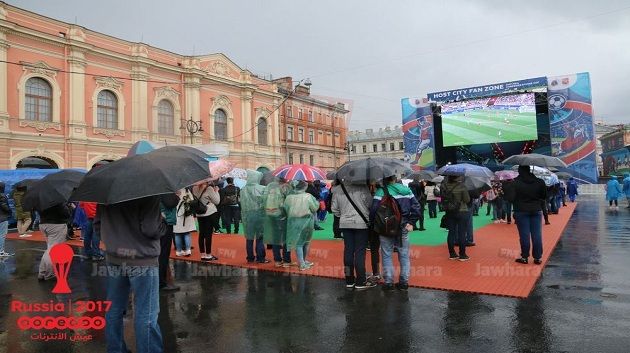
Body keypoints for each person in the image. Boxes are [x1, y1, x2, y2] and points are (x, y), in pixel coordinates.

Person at [96, 195, 167, 353]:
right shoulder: (148, 192)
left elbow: (98, 225)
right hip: (142, 259)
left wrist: (112, 241)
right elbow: (151, 229)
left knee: (114, 309)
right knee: (146, 313)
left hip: (115, 257)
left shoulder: (107, 191)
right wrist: (163, 224)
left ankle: (115, 349)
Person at [371, 175, 421, 290]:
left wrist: (374, 224)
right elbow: (416, 207)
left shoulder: (380, 192)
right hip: (403, 226)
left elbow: (373, 210)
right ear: (395, 178)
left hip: (385, 227)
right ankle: (404, 282)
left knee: (386, 254)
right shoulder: (407, 190)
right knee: (404, 255)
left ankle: (388, 282)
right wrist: (411, 222)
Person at [332, 180, 374, 290]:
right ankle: (361, 280)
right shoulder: (363, 187)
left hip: (345, 223)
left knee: (348, 251)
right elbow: (370, 204)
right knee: (360, 252)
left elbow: (334, 209)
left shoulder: (337, 189)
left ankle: (349, 279)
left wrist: (344, 215)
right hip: (361, 223)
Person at [504, 165, 547, 265]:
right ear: (529, 170)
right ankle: (537, 257)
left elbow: (510, 198)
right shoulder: (540, 182)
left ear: (520, 171)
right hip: (536, 209)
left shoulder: (515, 183)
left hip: (521, 211)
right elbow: (544, 196)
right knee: (537, 235)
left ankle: (524, 257)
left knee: (524, 235)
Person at [284, 181, 319, 271]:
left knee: (298, 242)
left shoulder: (289, 197)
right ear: (304, 187)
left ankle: (303, 261)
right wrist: (317, 203)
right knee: (305, 242)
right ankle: (302, 263)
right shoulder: (308, 196)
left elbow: (286, 208)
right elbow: (314, 208)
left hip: (294, 222)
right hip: (307, 221)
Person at [37, 202, 72, 280]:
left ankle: (42, 272)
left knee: (49, 248)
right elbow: (66, 213)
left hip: (43, 224)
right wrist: (69, 207)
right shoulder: (56, 200)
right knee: (53, 250)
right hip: (56, 225)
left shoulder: (39, 199)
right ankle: (49, 274)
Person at [263, 177, 292, 267]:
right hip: (282, 215)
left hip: (270, 214)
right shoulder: (286, 187)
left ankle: (277, 260)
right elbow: (289, 202)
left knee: (275, 238)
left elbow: (263, 199)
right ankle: (286, 260)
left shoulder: (270, 186)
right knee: (286, 238)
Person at [240, 170, 268, 264]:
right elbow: (266, 202)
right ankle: (260, 258)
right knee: (260, 237)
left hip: (247, 216)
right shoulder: (263, 188)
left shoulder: (243, 189)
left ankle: (250, 257)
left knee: (249, 237)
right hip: (260, 215)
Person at [441, 176, 470, 261]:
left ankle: (452, 254)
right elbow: (467, 199)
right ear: (457, 177)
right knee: (462, 233)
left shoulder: (444, 186)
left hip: (449, 211)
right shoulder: (462, 186)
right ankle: (462, 254)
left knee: (451, 233)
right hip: (461, 210)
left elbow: (442, 198)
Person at [192, 181, 221, 261]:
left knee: (201, 234)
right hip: (209, 213)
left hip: (199, 213)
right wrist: (216, 191)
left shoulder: (194, 188)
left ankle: (203, 255)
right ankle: (208, 255)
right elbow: (217, 201)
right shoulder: (209, 188)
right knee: (208, 235)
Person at [159, 193, 180, 291]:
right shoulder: (164, 189)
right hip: (165, 222)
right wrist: (177, 196)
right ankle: (161, 282)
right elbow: (170, 203)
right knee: (163, 253)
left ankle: (161, 280)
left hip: (160, 221)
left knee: (161, 252)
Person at [174, 189, 195, 257]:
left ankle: (178, 251)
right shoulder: (186, 190)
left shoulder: (173, 189)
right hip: (186, 214)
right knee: (187, 233)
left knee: (177, 234)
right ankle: (188, 250)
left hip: (176, 214)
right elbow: (192, 200)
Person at [0, 182, 11, 257]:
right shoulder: (2, 196)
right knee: (2, 235)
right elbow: (5, 207)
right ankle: (1, 251)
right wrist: (10, 211)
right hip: (2, 218)